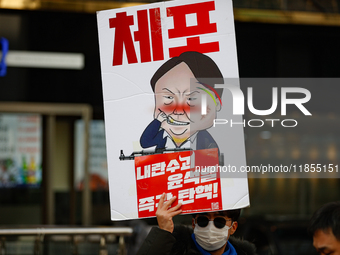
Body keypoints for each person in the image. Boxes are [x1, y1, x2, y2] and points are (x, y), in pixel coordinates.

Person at [140, 51, 224, 151]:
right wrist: (157, 121)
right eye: (169, 98)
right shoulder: (162, 136)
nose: (178, 111)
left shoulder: (206, 141)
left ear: (217, 103)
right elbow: (145, 142)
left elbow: (213, 159)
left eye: (191, 99)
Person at [137, 194, 256, 255]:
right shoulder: (172, 250)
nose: (210, 227)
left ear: (233, 227)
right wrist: (163, 233)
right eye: (203, 220)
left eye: (219, 221)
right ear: (194, 224)